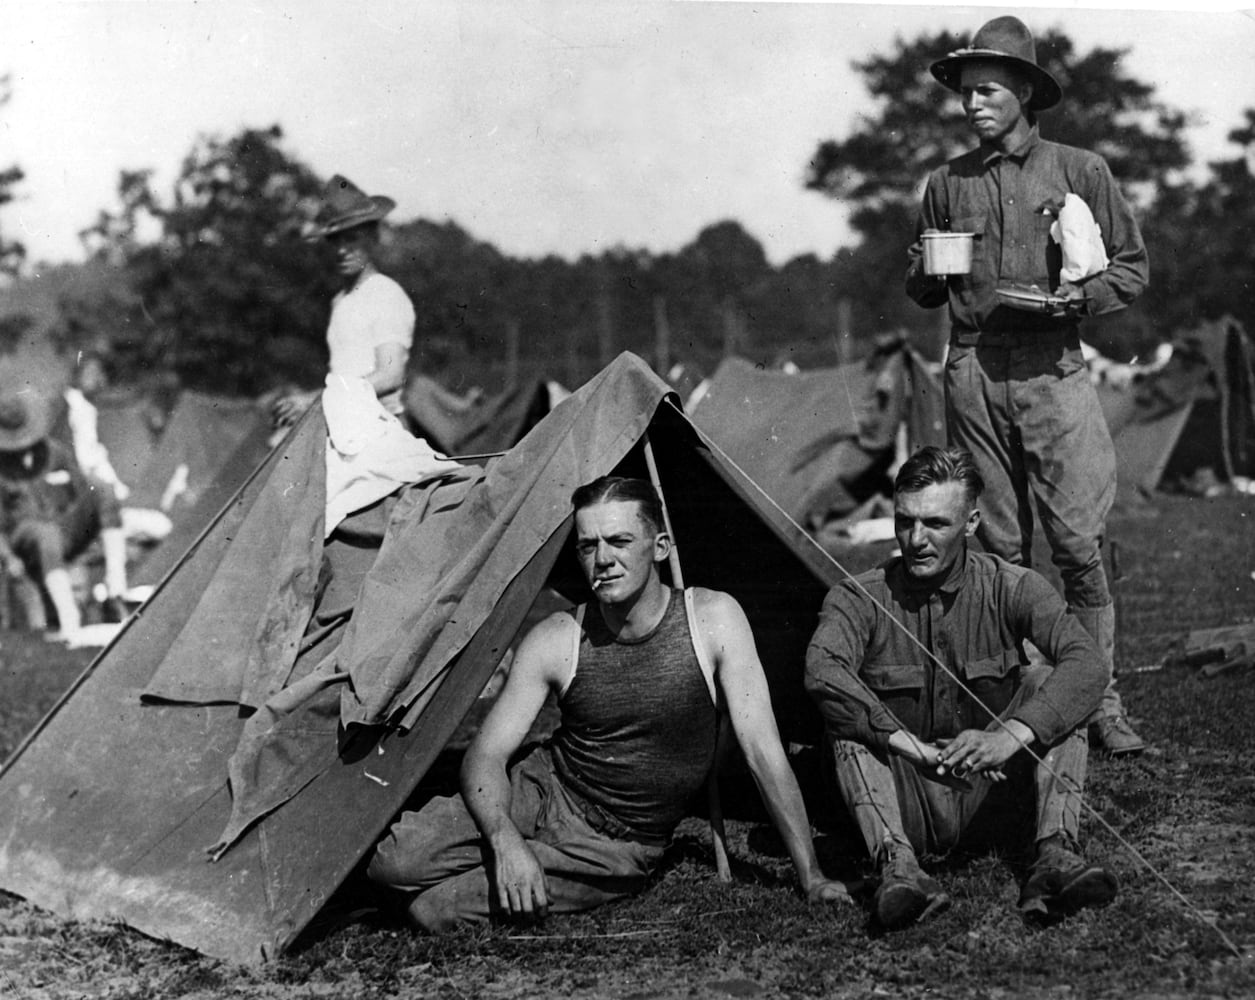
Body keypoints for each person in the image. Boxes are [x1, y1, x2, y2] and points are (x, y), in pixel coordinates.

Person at [368, 475, 851, 930]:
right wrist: (504, 839)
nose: (603, 559)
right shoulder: (559, 636)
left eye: (619, 541)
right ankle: (509, 855)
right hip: (543, 792)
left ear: (660, 547)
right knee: (392, 863)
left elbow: (764, 752)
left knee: (433, 910)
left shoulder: (713, 620)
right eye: (587, 545)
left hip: (616, 844)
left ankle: (512, 871)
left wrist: (811, 876)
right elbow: (486, 754)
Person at [904, 15, 1150, 756]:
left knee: (1077, 543)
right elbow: (923, 292)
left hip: (1052, 366)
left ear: (1022, 91)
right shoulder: (947, 182)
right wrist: (921, 268)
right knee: (1002, 550)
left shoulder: (1080, 170)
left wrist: (1079, 299)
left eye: (985, 90)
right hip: (973, 369)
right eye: (964, 92)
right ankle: (1028, 700)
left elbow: (1130, 269)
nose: (971, 103)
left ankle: (1099, 701)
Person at [805, 446, 1116, 931]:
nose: (916, 539)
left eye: (935, 524)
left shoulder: (1012, 587)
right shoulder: (859, 597)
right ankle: (899, 869)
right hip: (907, 800)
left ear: (971, 524)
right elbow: (822, 669)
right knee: (848, 720)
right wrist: (913, 748)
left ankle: (1055, 855)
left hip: (993, 797)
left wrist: (1009, 735)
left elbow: (1088, 662)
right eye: (904, 521)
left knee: (1047, 684)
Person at [272, 174, 415, 427]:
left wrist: (318, 400)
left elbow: (391, 376)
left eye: (352, 239)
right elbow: (343, 373)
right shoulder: (341, 300)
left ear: (371, 239)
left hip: (378, 426)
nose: (342, 250)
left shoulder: (386, 294)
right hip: (342, 424)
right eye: (335, 241)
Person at [0, 394, 133, 641]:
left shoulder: (55, 453)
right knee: (44, 533)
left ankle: (117, 585)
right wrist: (8, 559)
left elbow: (82, 491)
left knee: (102, 487)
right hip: (25, 539)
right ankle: (68, 618)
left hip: (64, 529)